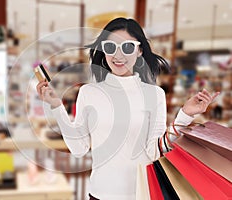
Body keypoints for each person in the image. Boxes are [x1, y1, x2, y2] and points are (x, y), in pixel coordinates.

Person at [36, 18, 219, 200]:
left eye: (127, 47)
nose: (118, 55)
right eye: (110, 47)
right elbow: (78, 148)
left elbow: (154, 151)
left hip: (142, 195)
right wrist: (56, 107)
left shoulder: (154, 95)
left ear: (139, 50)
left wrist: (184, 115)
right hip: (99, 194)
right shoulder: (89, 92)